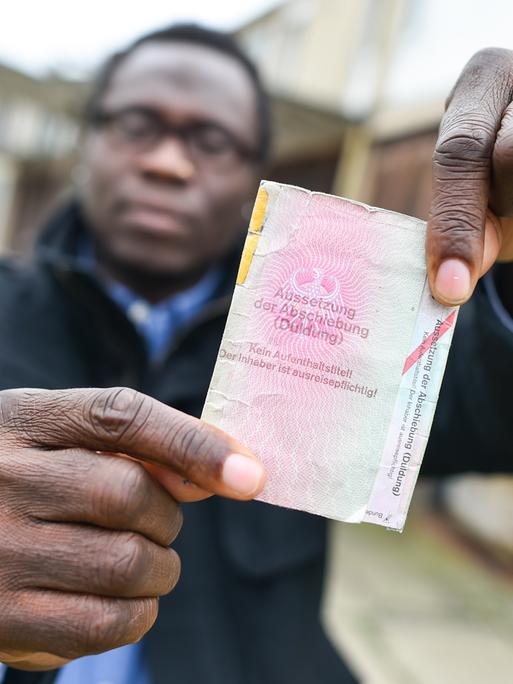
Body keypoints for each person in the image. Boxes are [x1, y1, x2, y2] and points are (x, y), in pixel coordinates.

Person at [0, 23, 513, 684]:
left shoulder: (344, 327)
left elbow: (489, 396)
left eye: (210, 141)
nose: (167, 161)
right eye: (134, 124)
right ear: (85, 141)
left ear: (250, 175)